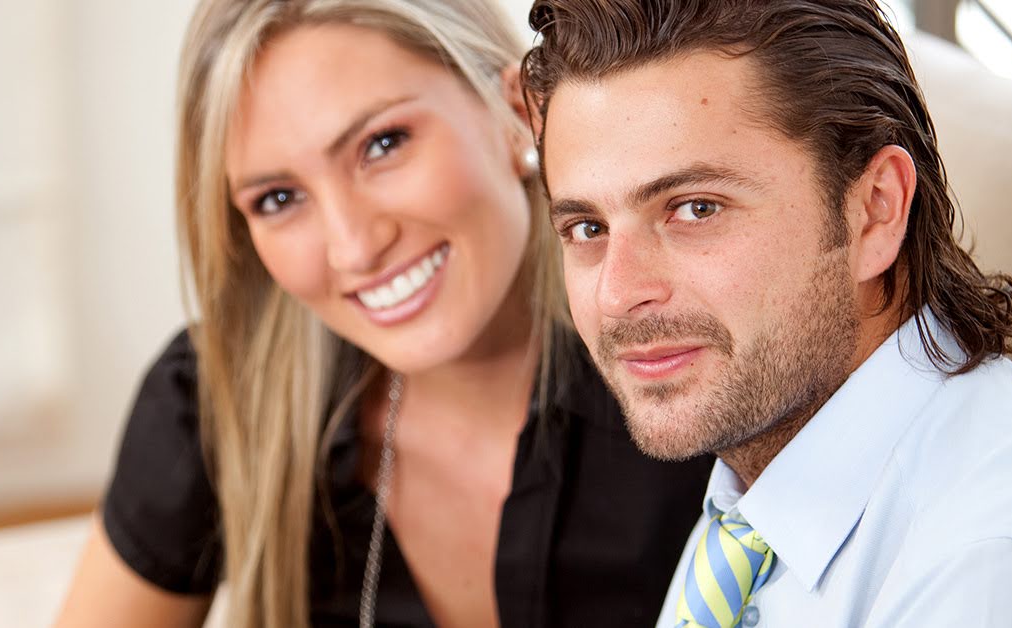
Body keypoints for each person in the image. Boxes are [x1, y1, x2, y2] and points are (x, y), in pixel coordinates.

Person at [54, 1, 716, 627]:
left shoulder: (703, 368)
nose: (353, 247)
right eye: (279, 198)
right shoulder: (216, 404)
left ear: (517, 114)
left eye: (383, 143)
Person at [521, 0, 1012, 626]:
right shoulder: (754, 495)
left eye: (696, 209)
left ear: (875, 210)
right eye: (587, 228)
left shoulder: (1000, 575)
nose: (617, 294)